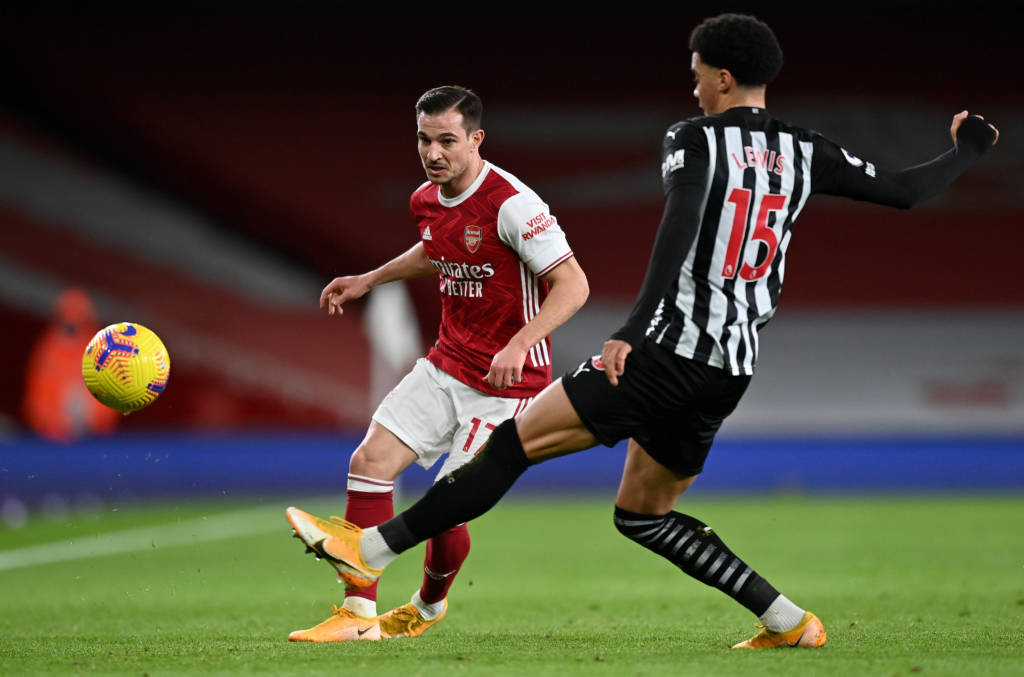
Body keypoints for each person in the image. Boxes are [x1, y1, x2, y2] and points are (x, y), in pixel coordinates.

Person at [287, 13, 1000, 649]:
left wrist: (631, 329)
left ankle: (369, 551)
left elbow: (679, 229)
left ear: (723, 78)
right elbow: (906, 191)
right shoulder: (804, 148)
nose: (693, 86)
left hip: (664, 350)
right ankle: (787, 619)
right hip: (729, 367)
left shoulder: (693, 139)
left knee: (509, 446)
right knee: (644, 515)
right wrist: (967, 149)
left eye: (697, 74)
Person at [287, 85, 589, 642]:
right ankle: (357, 617)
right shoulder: (425, 198)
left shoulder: (513, 205)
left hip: (506, 383)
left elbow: (573, 285)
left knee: (448, 505)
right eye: (424, 140)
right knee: (370, 460)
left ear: (476, 139)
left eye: (447, 141)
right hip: (447, 362)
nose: (433, 153)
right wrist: (370, 279)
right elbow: (437, 248)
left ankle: (427, 605)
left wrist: (520, 343)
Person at [22, 287, 121, 442]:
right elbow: (37, 397)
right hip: (53, 437)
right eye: (68, 318)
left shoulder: (98, 348)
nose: (72, 326)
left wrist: (94, 421)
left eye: (78, 319)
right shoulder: (48, 350)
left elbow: (110, 392)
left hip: (93, 437)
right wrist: (56, 423)